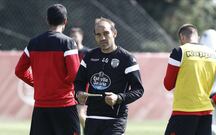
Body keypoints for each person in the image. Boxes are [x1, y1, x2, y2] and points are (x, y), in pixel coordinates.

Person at [15, 4, 80, 135]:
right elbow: (75, 75)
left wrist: (37, 83)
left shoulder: (34, 43)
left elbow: (19, 71)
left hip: (41, 108)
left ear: (47, 20)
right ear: (65, 21)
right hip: (64, 106)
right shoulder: (68, 42)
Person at [163, 24, 216, 135]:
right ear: (197, 37)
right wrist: (215, 100)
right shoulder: (214, 54)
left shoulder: (179, 52)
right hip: (206, 113)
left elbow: (168, 85)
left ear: (182, 38)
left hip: (183, 112)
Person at [74, 17, 144, 135]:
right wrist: (79, 92)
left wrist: (118, 98)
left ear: (114, 33)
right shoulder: (89, 57)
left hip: (115, 120)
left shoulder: (127, 59)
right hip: (92, 117)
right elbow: (79, 81)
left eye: (106, 33)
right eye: (98, 35)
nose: (102, 38)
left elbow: (138, 90)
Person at [70, 27, 90, 131]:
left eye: (76, 36)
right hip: (70, 87)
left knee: (81, 114)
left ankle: (90, 131)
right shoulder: (69, 52)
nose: (74, 39)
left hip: (82, 87)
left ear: (81, 37)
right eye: (72, 36)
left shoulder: (87, 52)